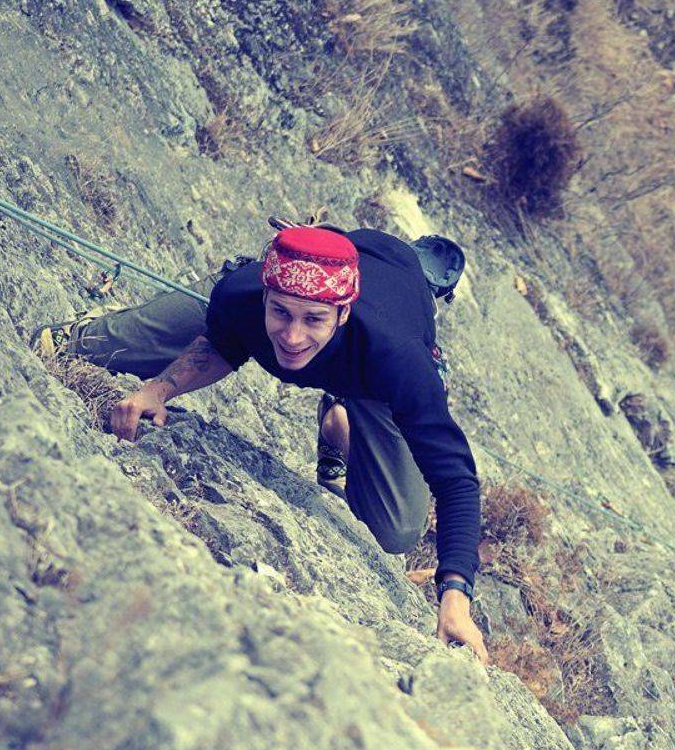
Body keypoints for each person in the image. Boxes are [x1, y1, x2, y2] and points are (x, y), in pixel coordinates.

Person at [36, 225, 488, 664]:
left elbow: (457, 481)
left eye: (314, 319)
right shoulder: (243, 294)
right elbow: (225, 346)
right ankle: (111, 329)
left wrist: (454, 598)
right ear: (266, 298)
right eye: (281, 313)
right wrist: (159, 388)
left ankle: (340, 423)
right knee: (85, 348)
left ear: (343, 314)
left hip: (371, 369)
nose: (291, 338)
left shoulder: (398, 359)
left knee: (396, 529)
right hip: (309, 279)